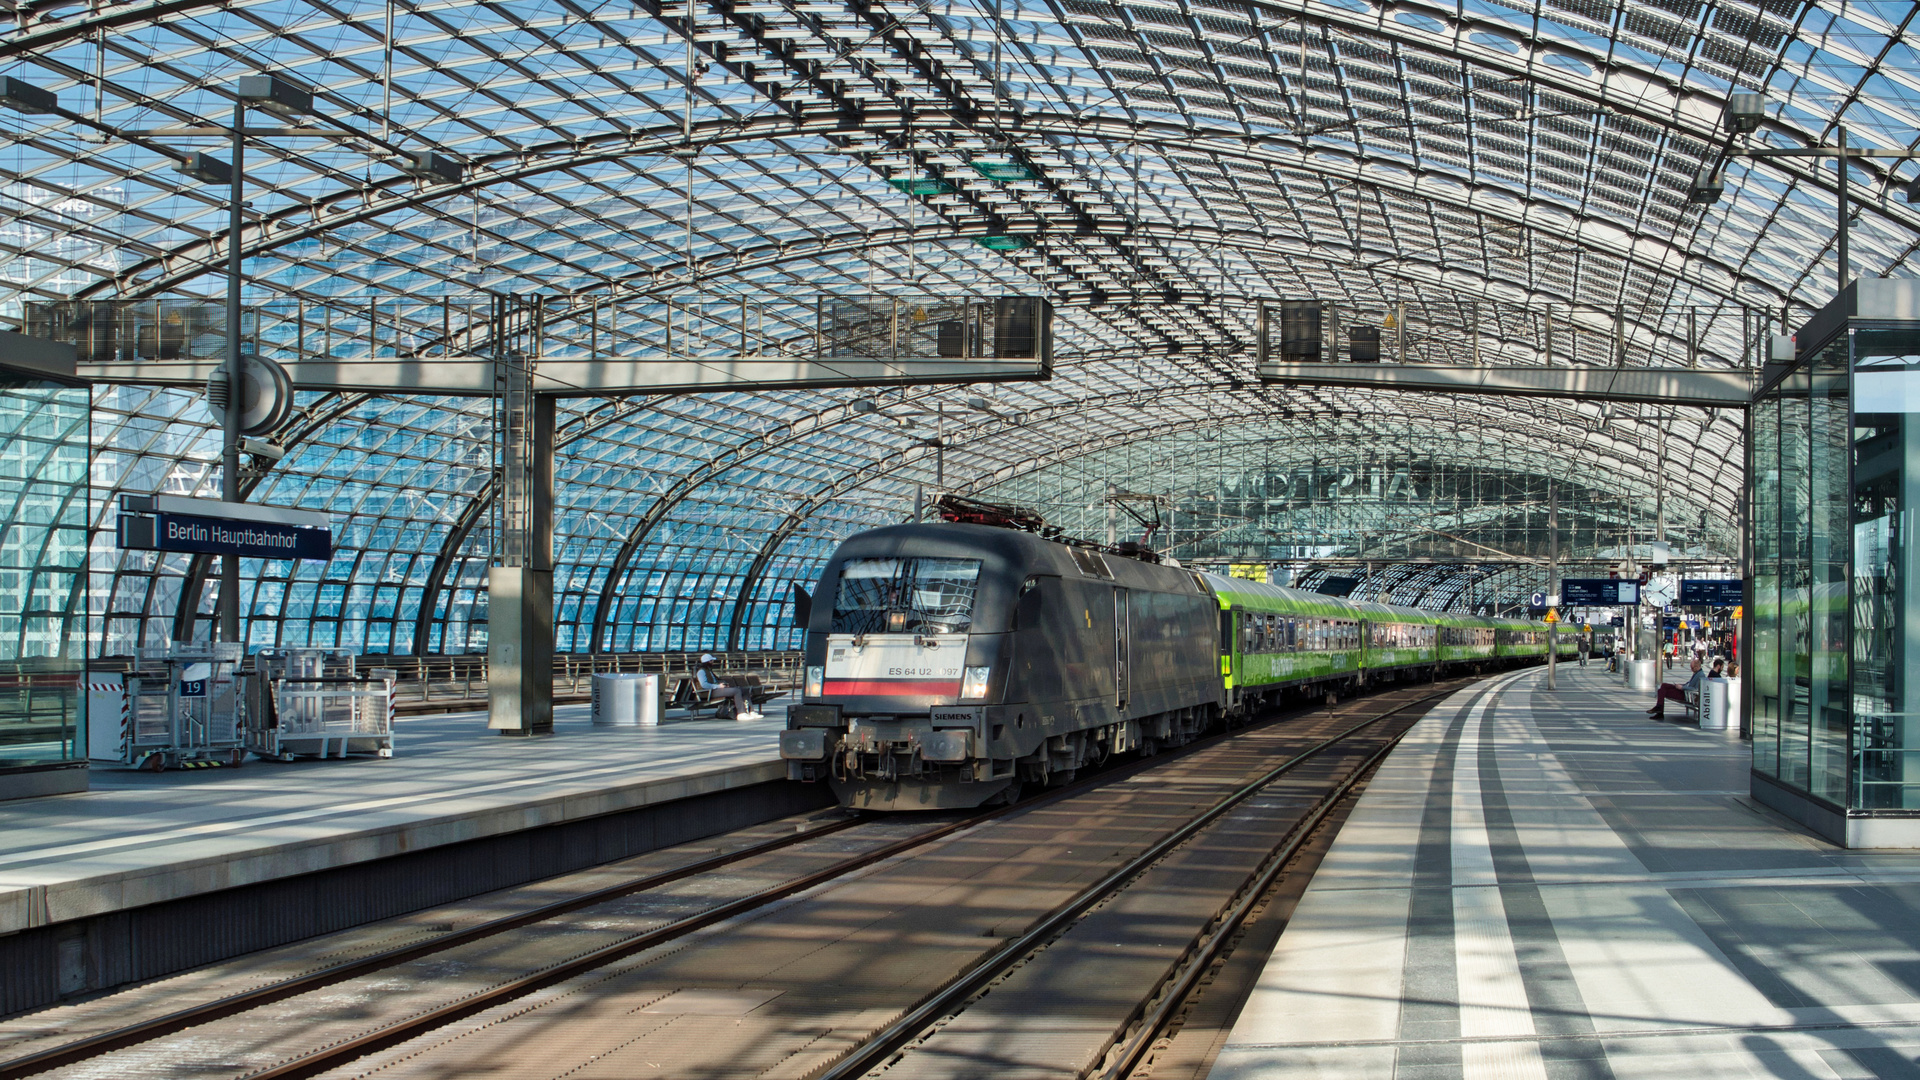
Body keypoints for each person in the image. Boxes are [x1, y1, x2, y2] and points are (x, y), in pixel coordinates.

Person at [695, 653, 760, 720]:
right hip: (709, 692)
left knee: (743, 690)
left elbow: (716, 680)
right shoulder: (701, 671)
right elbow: (704, 685)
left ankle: (751, 711)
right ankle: (741, 713)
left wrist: (723, 684)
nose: (713, 662)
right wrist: (718, 686)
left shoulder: (708, 670)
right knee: (736, 691)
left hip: (715, 689)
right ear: (707, 662)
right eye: (711, 661)